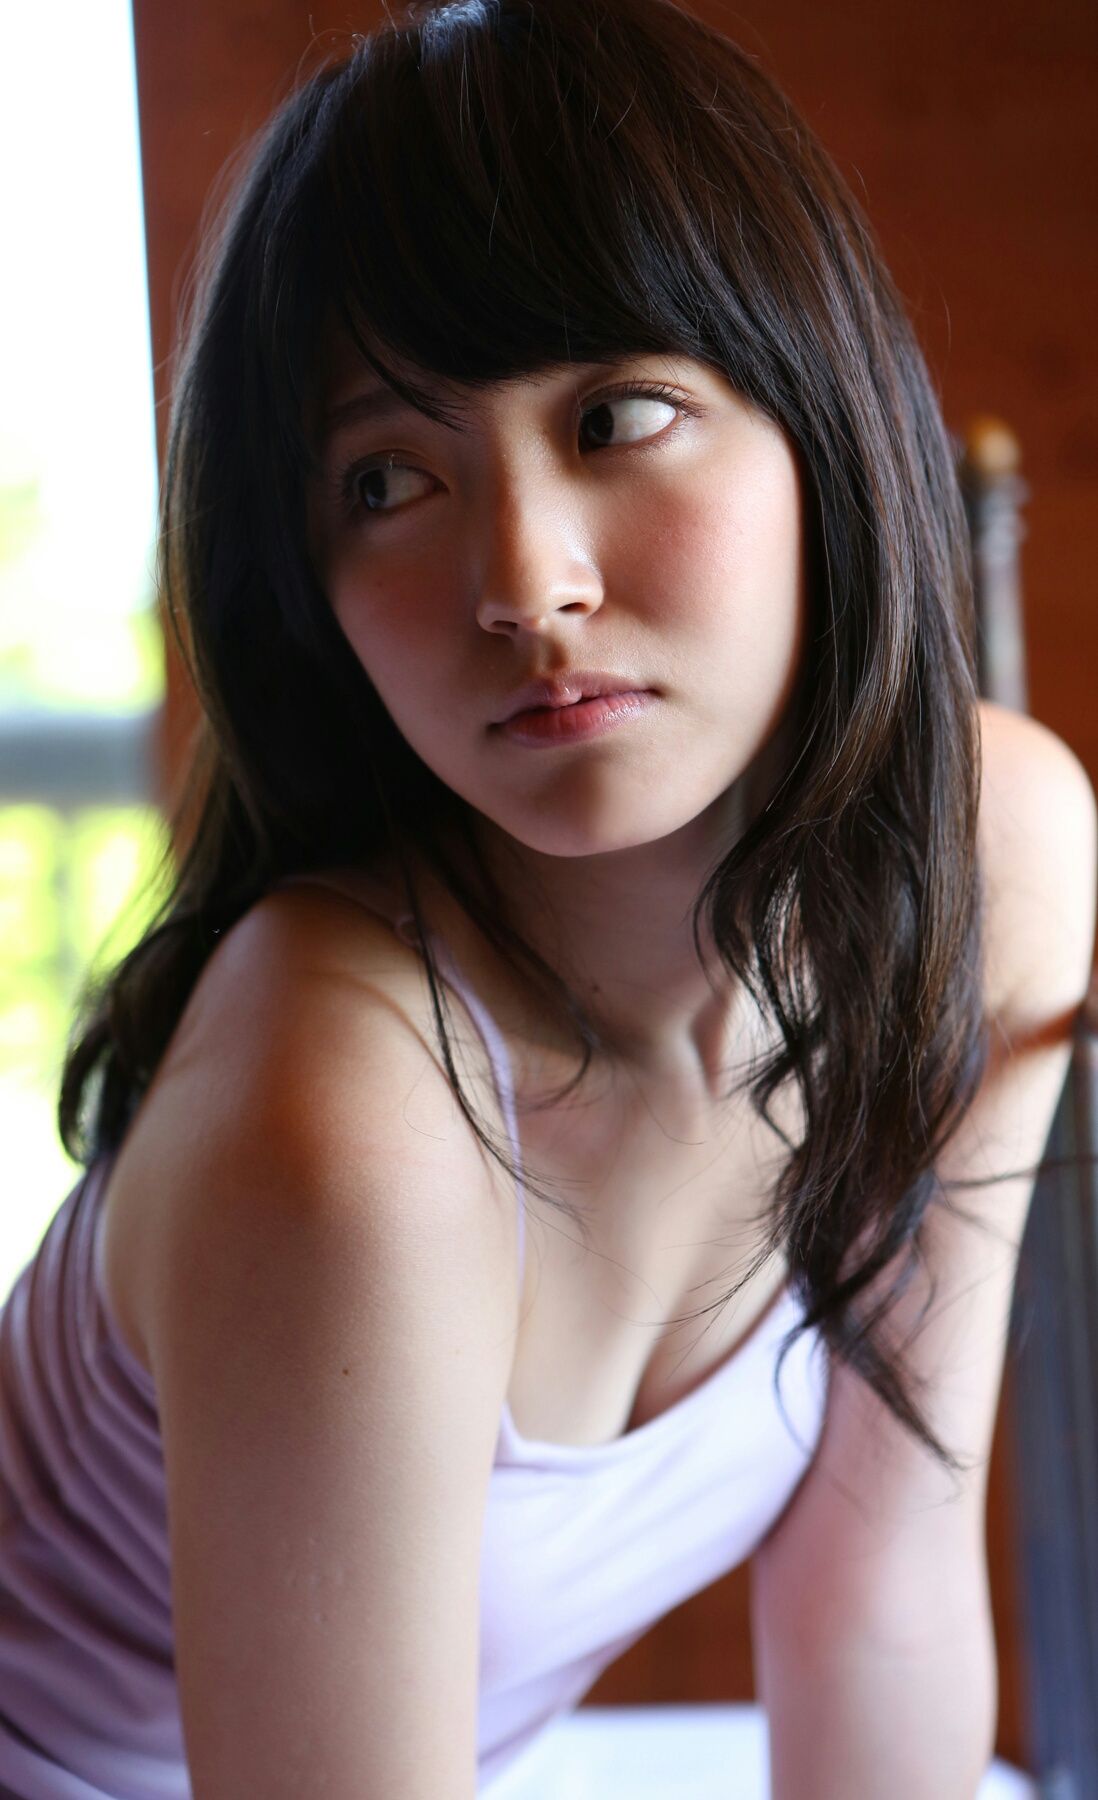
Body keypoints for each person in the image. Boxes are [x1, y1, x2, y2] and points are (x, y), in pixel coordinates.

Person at [0, 0, 1094, 1793]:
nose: (523, 580)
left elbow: (879, 1592)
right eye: (387, 479)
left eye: (616, 414)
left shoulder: (995, 854)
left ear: (817, 414)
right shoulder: (353, 1114)